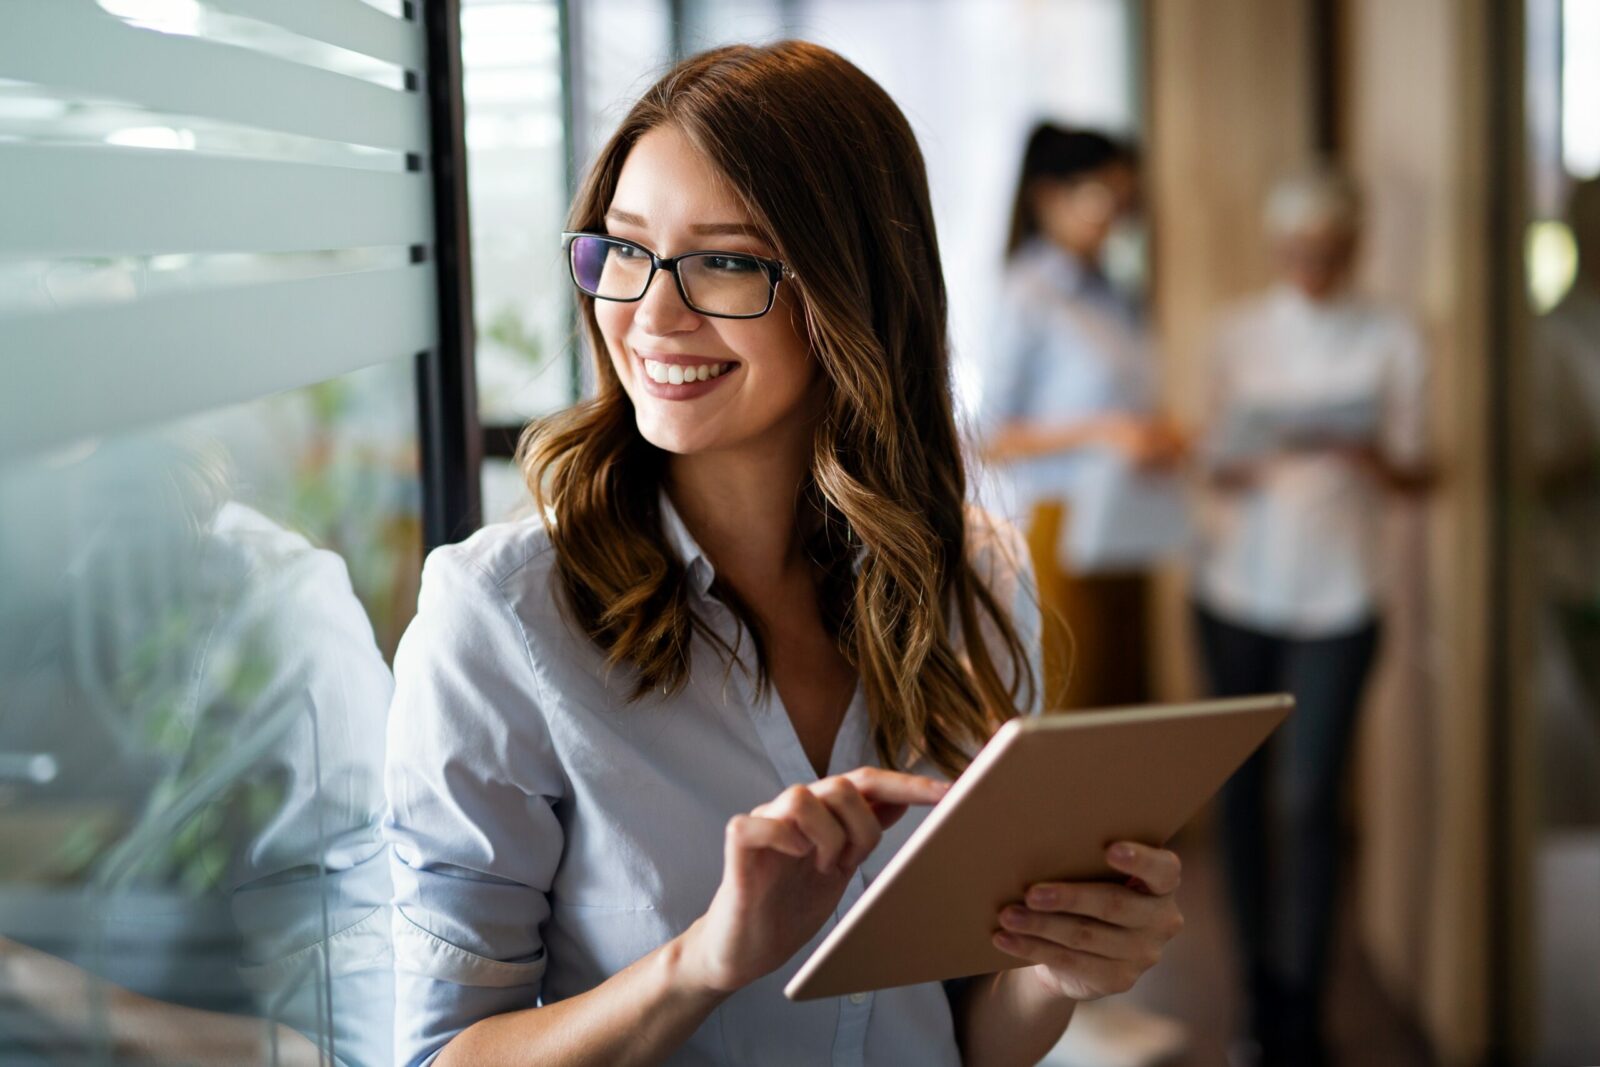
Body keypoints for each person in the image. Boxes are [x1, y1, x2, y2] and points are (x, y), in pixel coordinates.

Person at [382, 42, 1186, 1067]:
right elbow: (441, 1054)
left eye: (725, 260)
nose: (651, 315)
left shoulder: (970, 576)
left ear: (854, 293)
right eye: (623, 249)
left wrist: (1057, 966)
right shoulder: (500, 616)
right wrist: (702, 961)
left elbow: (964, 1029)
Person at [1191, 166, 1431, 1067]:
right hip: (1236, 590)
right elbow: (1204, 457)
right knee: (1244, 799)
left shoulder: (1393, 336)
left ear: (1355, 247)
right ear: (1276, 248)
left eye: (1329, 252)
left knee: (1310, 800)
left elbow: (1421, 473)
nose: (1312, 267)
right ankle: (1256, 996)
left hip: (1342, 597)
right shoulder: (1238, 334)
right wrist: (1243, 450)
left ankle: (1305, 1009)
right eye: (1297, 251)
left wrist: (1370, 453)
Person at [981, 124, 1186, 713]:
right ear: (1048, 196)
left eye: (1126, 199)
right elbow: (992, 437)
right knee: (1071, 702)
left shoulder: (1116, 295)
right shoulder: (1029, 293)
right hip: (1060, 521)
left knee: (1127, 703)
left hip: (1128, 517)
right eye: (1102, 196)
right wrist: (1106, 431)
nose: (1116, 216)